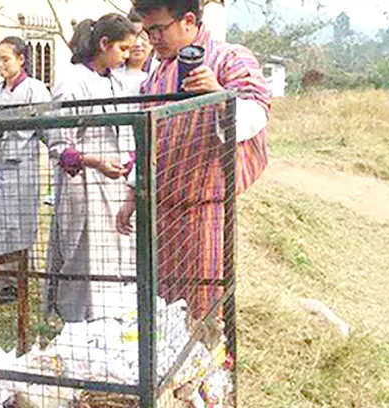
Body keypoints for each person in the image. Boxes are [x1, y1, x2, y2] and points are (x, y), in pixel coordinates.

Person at [120, 0, 270, 316]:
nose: (152, 39)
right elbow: (145, 140)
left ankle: (209, 345)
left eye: (159, 29)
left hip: (204, 209)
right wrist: (132, 195)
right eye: (148, 31)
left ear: (188, 20)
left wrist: (219, 95)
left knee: (204, 301)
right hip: (160, 208)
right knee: (165, 304)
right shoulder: (156, 73)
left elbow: (256, 115)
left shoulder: (229, 58)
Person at [45, 14, 139, 323]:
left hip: (114, 184)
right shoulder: (72, 82)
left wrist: (128, 164)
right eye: (123, 48)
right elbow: (59, 145)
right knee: (84, 257)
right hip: (83, 185)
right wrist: (95, 162)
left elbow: (126, 133)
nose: (127, 55)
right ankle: (79, 323)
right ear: (104, 44)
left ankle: (113, 320)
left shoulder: (116, 82)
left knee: (116, 254)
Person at [0, 37, 51, 304]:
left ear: (21, 59)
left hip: (21, 168)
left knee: (17, 226)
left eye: (5, 59)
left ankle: (16, 282)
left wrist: (61, 153)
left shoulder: (36, 90)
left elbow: (49, 129)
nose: (1, 64)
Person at [114, 9, 157, 94]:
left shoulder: (160, 72)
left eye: (143, 36)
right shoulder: (112, 73)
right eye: (133, 37)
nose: (138, 43)